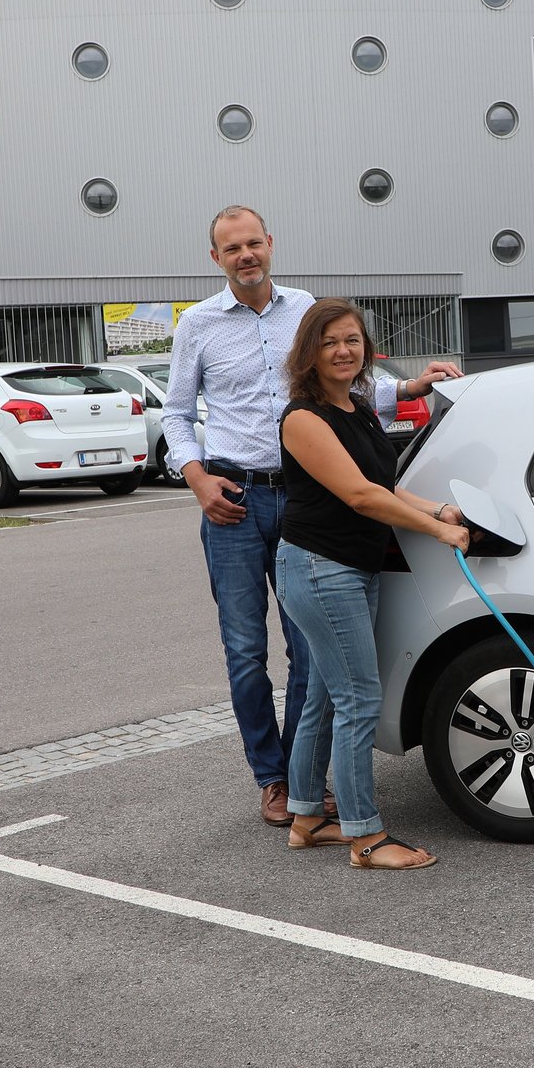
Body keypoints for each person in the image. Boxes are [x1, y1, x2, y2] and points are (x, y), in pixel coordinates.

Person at [163, 205, 460, 827]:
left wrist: (410, 388)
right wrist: (196, 479)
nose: (246, 255)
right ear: (215, 257)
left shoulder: (306, 309)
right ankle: (271, 779)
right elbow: (177, 414)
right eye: (232, 248)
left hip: (303, 498)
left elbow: (341, 384)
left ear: (271, 244)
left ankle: (311, 780)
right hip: (233, 499)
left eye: (254, 244)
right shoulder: (197, 324)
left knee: (309, 653)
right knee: (245, 648)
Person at [274, 299, 466, 870]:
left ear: (366, 349)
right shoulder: (303, 418)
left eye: (352, 340)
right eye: (330, 341)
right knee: (358, 698)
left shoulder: (357, 408)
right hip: (319, 567)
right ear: (309, 351)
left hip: (349, 567)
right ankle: (365, 836)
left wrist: (440, 509)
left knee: (325, 697)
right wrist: (435, 529)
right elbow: (358, 497)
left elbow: (382, 484)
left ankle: (308, 817)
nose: (343, 350)